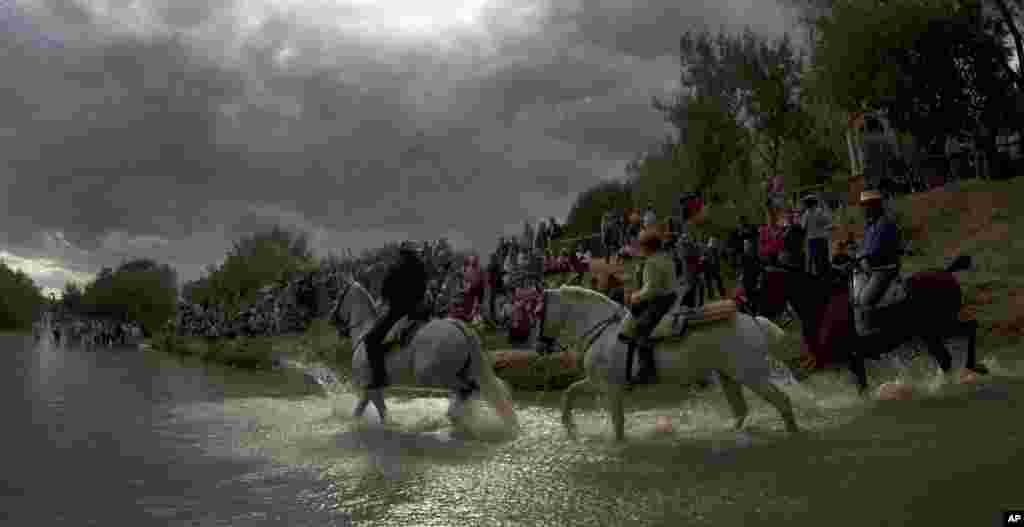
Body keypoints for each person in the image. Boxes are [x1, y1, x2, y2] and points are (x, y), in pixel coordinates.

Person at [362, 244, 429, 389]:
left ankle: (380, 378)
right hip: (420, 313)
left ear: (401, 254)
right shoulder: (421, 267)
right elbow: (423, 290)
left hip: (398, 312)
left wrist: (385, 301)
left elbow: (386, 291)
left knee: (371, 340)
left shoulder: (396, 267)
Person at [619, 227, 677, 386]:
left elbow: (651, 290)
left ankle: (647, 372)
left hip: (660, 301)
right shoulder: (666, 257)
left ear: (647, 247)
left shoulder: (651, 262)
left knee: (641, 330)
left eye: (641, 245)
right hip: (671, 298)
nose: (639, 248)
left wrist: (635, 296)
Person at [857, 189, 903, 327]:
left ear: (875, 206)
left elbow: (874, 251)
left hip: (884, 268)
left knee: (865, 300)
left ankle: (872, 329)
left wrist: (862, 257)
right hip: (873, 267)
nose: (864, 210)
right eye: (863, 206)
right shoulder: (871, 225)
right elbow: (865, 248)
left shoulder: (884, 224)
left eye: (866, 206)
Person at [800, 194, 833, 277]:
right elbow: (829, 223)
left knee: (813, 260)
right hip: (822, 239)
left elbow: (803, 228)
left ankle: (814, 277)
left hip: (812, 240)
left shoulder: (806, 214)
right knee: (823, 260)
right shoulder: (820, 212)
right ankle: (825, 276)